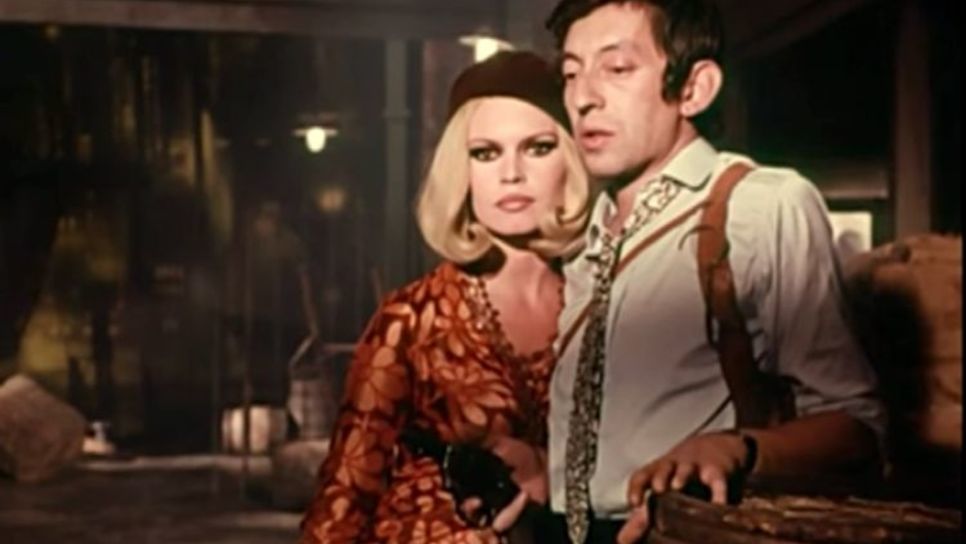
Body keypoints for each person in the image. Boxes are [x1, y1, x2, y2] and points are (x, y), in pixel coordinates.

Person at [489, 2, 887, 543]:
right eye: (571, 73)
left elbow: (857, 426)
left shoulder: (758, 205)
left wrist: (734, 449)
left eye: (617, 68)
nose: (583, 98)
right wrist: (545, 472)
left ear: (695, 89)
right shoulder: (583, 236)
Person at [299, 50, 590, 543]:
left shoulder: (606, 304)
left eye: (538, 148)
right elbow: (344, 498)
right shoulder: (412, 319)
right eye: (485, 153)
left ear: (572, 161)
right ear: (461, 171)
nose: (511, 173)